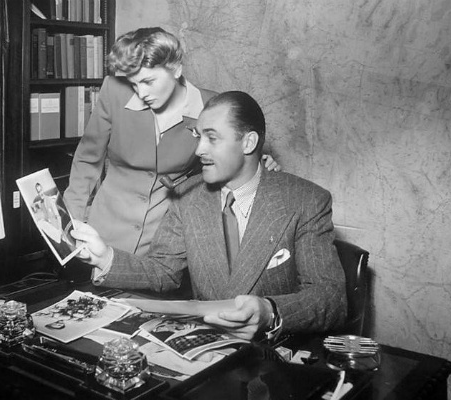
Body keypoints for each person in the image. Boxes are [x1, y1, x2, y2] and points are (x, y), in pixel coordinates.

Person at [71, 91, 346, 341]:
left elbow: (330, 298)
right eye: (198, 136)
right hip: (204, 348)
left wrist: (270, 311)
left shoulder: (306, 200)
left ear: (248, 143)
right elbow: (163, 271)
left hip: (270, 356)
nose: (199, 150)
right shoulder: (187, 197)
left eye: (212, 138)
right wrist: (104, 257)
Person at [63, 27, 279, 256]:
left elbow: (225, 160)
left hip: (166, 238)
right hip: (104, 232)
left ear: (176, 69)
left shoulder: (211, 106)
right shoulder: (114, 91)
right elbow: (87, 160)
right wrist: (71, 221)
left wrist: (257, 165)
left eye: (148, 81)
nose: (141, 92)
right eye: (134, 84)